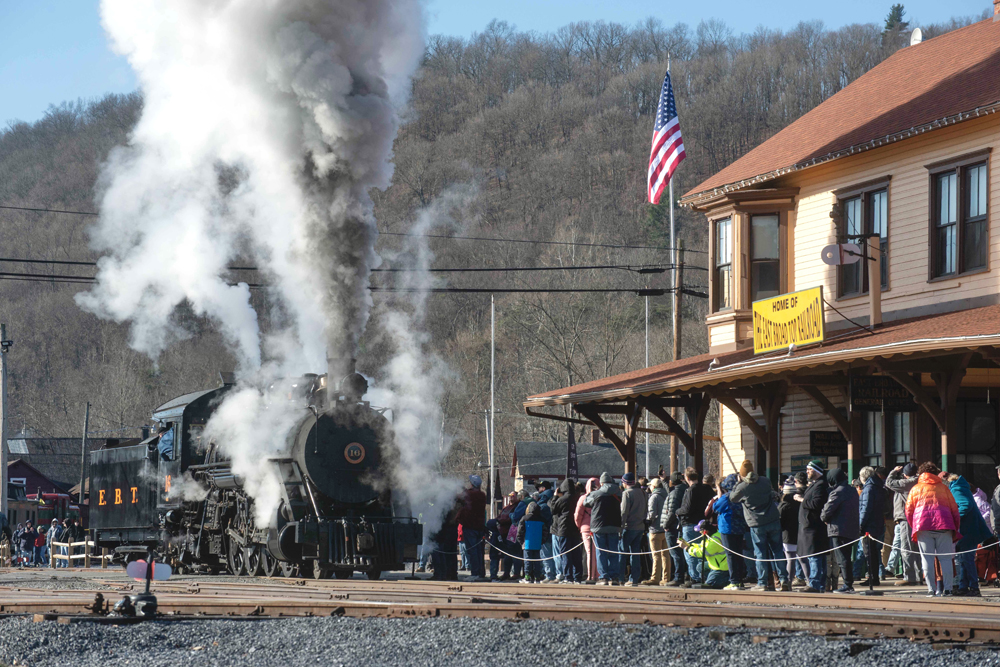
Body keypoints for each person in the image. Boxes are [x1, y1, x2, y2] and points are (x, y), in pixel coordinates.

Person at [731, 461, 790, 592]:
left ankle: (762, 583)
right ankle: (784, 580)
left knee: (760, 554)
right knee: (778, 551)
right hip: (773, 520)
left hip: (756, 524)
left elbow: (732, 498)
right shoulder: (765, 480)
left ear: (741, 474)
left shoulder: (742, 487)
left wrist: (738, 482)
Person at [906, 462, 960, 597]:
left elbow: (908, 511)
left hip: (923, 527)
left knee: (927, 559)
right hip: (944, 526)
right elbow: (954, 510)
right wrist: (955, 528)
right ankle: (947, 589)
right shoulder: (944, 488)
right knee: (946, 559)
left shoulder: (915, 489)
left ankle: (931, 589)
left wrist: (915, 526)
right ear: (936, 473)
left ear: (921, 473)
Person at [947, 473, 990, 597]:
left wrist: (953, 519)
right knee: (965, 560)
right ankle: (964, 587)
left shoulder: (956, 489)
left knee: (967, 560)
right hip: (971, 529)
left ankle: (973, 587)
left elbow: (965, 506)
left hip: (967, 530)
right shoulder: (963, 488)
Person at [821, 467, 859, 593]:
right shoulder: (852, 490)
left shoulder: (837, 492)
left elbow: (826, 512)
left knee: (842, 558)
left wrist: (824, 517)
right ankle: (848, 583)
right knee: (847, 558)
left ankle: (847, 585)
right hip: (852, 529)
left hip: (838, 529)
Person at [676, 467, 715, 587]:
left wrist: (677, 511)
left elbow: (687, 509)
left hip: (690, 524)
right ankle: (703, 575)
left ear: (686, 478)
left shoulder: (691, 490)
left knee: (690, 552)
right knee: (701, 552)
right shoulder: (707, 490)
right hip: (702, 524)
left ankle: (695, 577)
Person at [885, 463, 921, 586]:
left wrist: (893, 471)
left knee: (906, 549)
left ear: (905, 474)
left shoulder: (907, 483)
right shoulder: (918, 481)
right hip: (913, 518)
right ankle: (919, 576)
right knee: (915, 549)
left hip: (906, 519)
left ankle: (909, 577)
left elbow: (889, 483)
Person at [796, 459, 829, 593]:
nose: (807, 472)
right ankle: (819, 584)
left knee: (815, 555)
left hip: (814, 527)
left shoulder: (821, 485)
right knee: (815, 556)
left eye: (809, 469)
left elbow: (816, 504)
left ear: (816, 471)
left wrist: (801, 500)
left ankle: (815, 583)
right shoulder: (815, 484)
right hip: (809, 526)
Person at [584, 472, 622, 586]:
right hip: (614, 525)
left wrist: (591, 492)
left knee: (601, 552)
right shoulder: (618, 492)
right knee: (613, 551)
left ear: (601, 482)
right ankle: (614, 577)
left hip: (598, 526)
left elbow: (586, 503)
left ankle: (603, 577)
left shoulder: (596, 494)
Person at [713, 473, 748, 590]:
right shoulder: (741, 496)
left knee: (730, 555)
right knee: (738, 554)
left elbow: (716, 507)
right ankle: (740, 580)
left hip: (727, 529)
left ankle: (734, 581)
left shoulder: (726, 497)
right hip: (740, 528)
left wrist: (719, 495)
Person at [856, 466, 887, 586]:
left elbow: (865, 508)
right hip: (878, 522)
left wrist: (860, 525)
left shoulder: (869, 488)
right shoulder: (879, 486)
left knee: (869, 553)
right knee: (874, 553)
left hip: (870, 525)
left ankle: (872, 578)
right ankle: (874, 577)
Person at [551, 479, 584, 584]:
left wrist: (555, 496)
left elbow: (553, 509)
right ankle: (578, 577)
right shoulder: (577, 498)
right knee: (576, 554)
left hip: (564, 529)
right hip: (575, 529)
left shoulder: (562, 499)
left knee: (565, 554)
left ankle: (568, 577)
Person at [457, 475, 488, 582]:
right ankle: (480, 573)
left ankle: (474, 573)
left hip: (470, 526)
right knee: (479, 551)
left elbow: (458, 498)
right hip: (479, 526)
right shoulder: (482, 495)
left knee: (472, 551)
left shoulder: (469, 494)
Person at [661, 472, 688, 586]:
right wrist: (664, 481)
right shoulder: (684, 490)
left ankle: (678, 577)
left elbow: (672, 511)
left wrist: (666, 525)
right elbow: (672, 495)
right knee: (683, 552)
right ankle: (685, 575)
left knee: (675, 553)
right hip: (681, 526)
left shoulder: (675, 493)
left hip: (672, 527)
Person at [618, 472, 645, 587]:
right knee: (635, 554)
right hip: (640, 527)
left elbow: (624, 512)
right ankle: (634, 579)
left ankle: (620, 577)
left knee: (622, 553)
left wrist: (620, 528)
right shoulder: (643, 493)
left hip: (628, 527)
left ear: (625, 482)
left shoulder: (626, 494)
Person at [778, 478, 805, 587]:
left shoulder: (783, 505)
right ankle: (811, 582)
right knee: (803, 560)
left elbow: (780, 523)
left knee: (790, 560)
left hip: (788, 536)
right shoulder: (799, 503)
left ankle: (788, 583)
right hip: (800, 535)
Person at [644, 477, 668, 585]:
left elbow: (652, 514)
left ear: (653, 486)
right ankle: (666, 577)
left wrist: (647, 521)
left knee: (656, 555)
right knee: (665, 555)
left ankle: (655, 578)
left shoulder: (653, 497)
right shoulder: (666, 495)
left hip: (655, 529)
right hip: (665, 529)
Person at [575, 478, 599, 582]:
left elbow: (577, 515)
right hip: (598, 527)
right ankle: (598, 575)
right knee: (598, 552)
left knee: (589, 553)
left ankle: (590, 576)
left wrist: (579, 526)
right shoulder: (601, 497)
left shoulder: (583, 498)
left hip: (586, 528)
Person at [517, 501, 546, 583]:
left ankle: (527, 577)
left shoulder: (524, 518)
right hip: (538, 543)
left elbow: (520, 532)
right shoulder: (541, 519)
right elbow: (545, 532)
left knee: (527, 561)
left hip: (527, 543)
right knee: (537, 561)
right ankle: (537, 577)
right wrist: (542, 541)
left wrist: (521, 542)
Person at [535, 481, 558, 582]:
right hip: (555, 530)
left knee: (546, 554)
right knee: (555, 554)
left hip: (545, 531)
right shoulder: (555, 498)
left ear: (543, 489)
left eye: (539, 488)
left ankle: (549, 575)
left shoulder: (543, 502)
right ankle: (556, 574)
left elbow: (539, 513)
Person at [497, 492, 519, 581]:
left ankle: (516, 573)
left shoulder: (517, 507)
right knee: (506, 555)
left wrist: (502, 520)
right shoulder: (506, 507)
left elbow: (512, 518)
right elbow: (499, 517)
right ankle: (506, 573)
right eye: (510, 496)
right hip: (504, 534)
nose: (511, 498)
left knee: (515, 554)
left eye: (513, 496)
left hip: (513, 532)